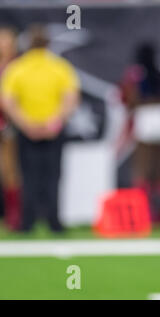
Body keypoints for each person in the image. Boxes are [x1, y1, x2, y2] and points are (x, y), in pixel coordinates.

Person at [0, 24, 80, 232]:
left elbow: (8, 101)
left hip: (27, 130)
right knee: (53, 176)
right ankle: (54, 222)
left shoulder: (17, 68)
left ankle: (27, 223)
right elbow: (71, 97)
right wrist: (56, 121)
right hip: (53, 130)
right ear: (48, 43)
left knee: (28, 176)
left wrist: (25, 123)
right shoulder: (59, 66)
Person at [119, 43, 160, 226]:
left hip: (144, 119)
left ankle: (144, 214)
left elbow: (128, 98)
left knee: (142, 169)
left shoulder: (134, 74)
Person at [0, 26, 21, 230]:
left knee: (10, 171)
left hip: (8, 124)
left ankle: (13, 217)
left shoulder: (17, 67)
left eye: (6, 41)